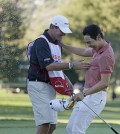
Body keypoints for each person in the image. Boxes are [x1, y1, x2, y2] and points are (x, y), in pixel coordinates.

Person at [27, 15, 89, 134]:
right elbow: (49, 66)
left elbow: (57, 65)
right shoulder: (41, 42)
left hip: (49, 86)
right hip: (38, 85)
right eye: (61, 31)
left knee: (52, 125)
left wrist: (65, 79)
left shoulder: (56, 44)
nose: (63, 34)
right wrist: (71, 65)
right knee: (45, 124)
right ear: (52, 27)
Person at [59, 24, 115, 134]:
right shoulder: (98, 49)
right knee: (70, 129)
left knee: (77, 131)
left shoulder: (106, 55)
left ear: (98, 37)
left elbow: (105, 83)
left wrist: (84, 94)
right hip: (87, 94)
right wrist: (63, 45)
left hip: (95, 97)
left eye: (89, 42)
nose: (88, 45)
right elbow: (84, 52)